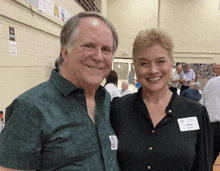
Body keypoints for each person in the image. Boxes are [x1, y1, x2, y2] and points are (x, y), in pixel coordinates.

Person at [0, 11, 120, 171]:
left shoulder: (104, 99)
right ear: (65, 52)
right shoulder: (30, 109)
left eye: (106, 49)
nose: (99, 57)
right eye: (88, 46)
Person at [110, 28, 213, 171]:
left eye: (160, 61)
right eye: (144, 63)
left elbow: (203, 166)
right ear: (135, 67)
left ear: (171, 64)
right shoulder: (117, 109)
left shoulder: (196, 112)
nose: (153, 70)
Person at [201, 75, 220, 162]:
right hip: (212, 124)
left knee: (208, 161)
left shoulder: (211, 82)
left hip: (211, 125)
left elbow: (202, 104)